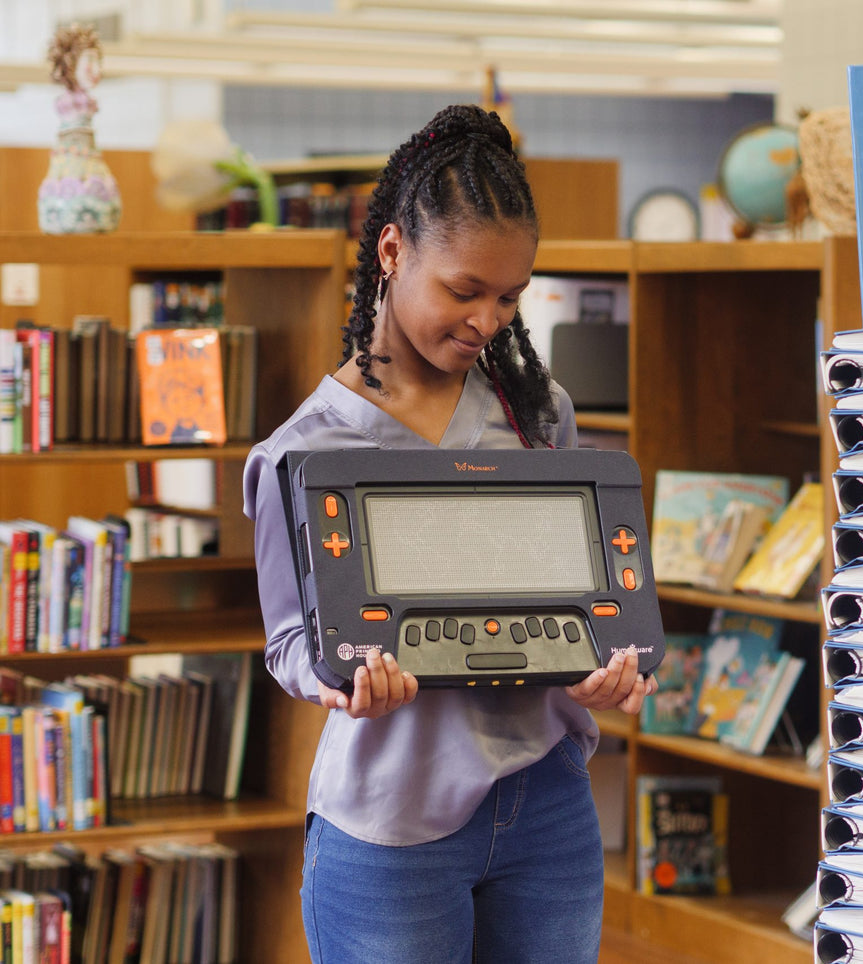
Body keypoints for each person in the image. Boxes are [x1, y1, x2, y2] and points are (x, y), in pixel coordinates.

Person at [242, 103, 657, 964]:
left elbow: (585, 602)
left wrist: (602, 669)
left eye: (509, 296)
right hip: (391, 819)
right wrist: (338, 681)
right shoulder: (306, 450)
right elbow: (288, 640)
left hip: (547, 802)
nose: (487, 320)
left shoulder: (539, 416)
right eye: (463, 291)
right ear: (391, 253)